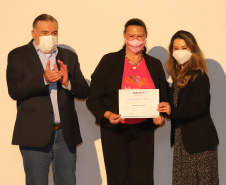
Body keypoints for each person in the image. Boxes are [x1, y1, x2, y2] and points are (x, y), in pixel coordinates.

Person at [6, 14, 89, 185]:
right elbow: (15, 91)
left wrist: (67, 83)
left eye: (54, 32)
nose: (50, 37)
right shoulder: (17, 55)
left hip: (65, 134)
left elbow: (84, 91)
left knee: (67, 181)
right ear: (33, 33)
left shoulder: (69, 56)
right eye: (45, 33)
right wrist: (43, 80)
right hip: (33, 134)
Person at [86, 18, 168, 185]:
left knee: (143, 180)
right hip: (115, 132)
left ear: (146, 37)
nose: (135, 41)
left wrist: (159, 115)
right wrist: (108, 115)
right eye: (131, 36)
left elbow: (163, 98)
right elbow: (93, 98)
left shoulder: (154, 64)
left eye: (140, 36)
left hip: (143, 132)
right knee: (118, 179)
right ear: (124, 36)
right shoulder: (109, 61)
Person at [158, 30, 219, 185]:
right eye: (176, 48)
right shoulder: (177, 77)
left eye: (184, 48)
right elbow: (173, 104)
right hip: (182, 142)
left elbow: (199, 108)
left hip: (200, 144)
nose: (179, 52)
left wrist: (172, 111)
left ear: (192, 49)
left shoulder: (199, 75)